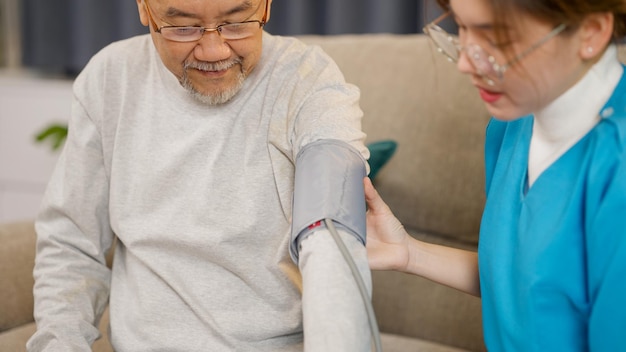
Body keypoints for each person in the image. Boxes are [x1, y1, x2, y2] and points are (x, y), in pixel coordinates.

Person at [27, 0, 374, 351]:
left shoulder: (309, 82)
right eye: (183, 27)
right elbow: (70, 245)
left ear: (266, 7)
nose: (213, 50)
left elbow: (333, 241)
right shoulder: (109, 78)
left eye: (237, 23)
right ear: (145, 10)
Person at [364, 0, 626, 350]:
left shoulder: (616, 166)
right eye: (462, 28)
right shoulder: (514, 122)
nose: (464, 63)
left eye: (496, 39)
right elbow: (526, 280)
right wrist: (408, 252)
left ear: (591, 33)